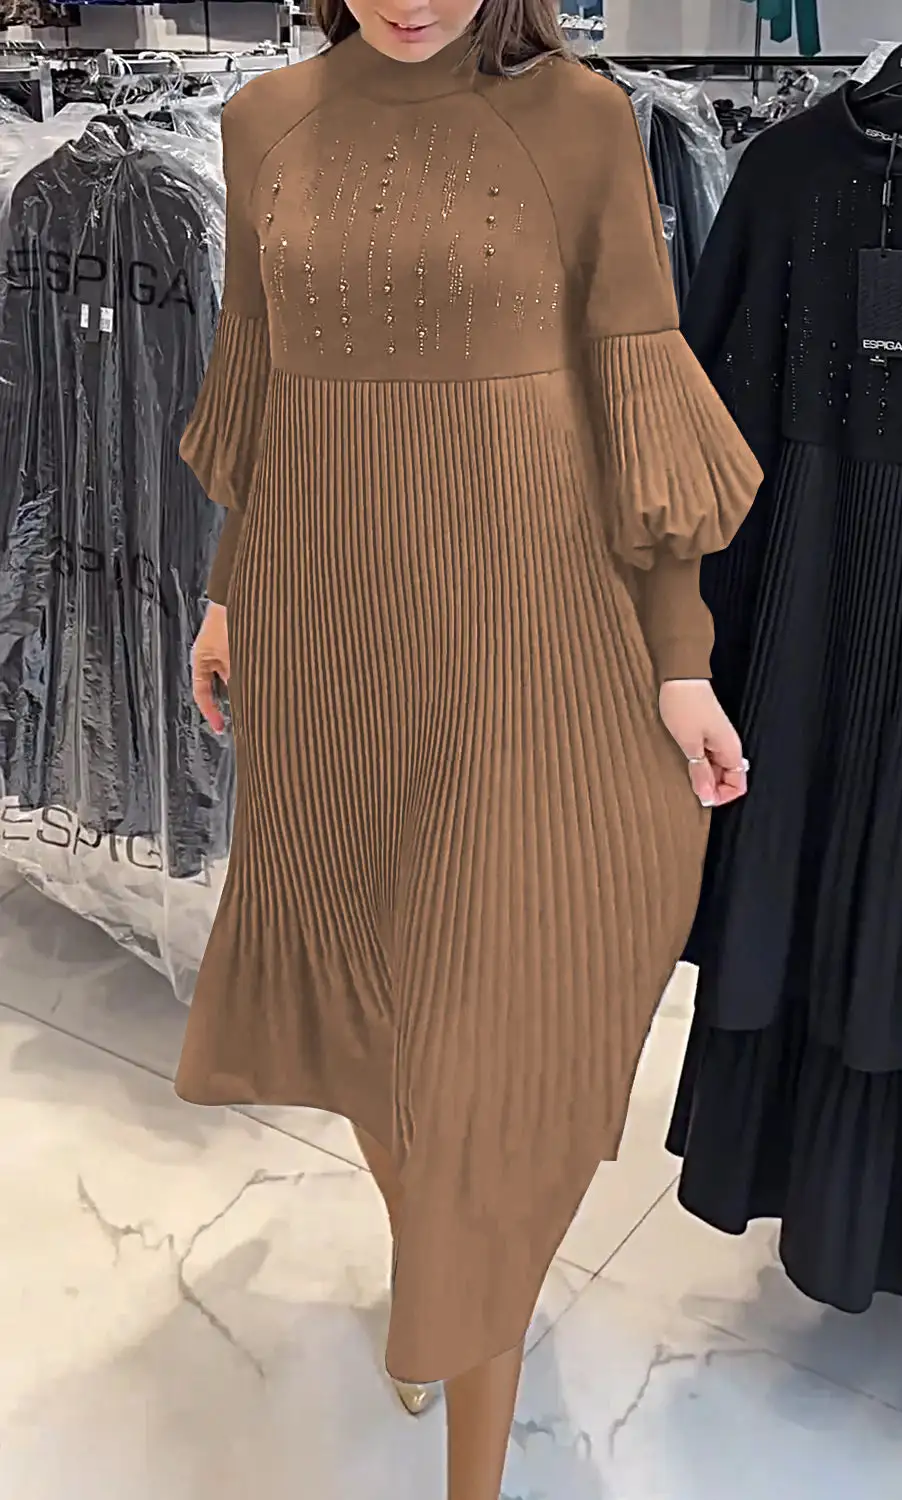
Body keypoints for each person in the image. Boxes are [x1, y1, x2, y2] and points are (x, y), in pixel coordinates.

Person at [176, 2, 761, 1495]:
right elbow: (263, 391)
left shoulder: (584, 124)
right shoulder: (262, 125)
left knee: (491, 1045)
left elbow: (636, 407)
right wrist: (229, 595)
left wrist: (681, 664)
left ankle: (472, 1417)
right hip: (328, 645)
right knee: (383, 1024)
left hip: (529, 649)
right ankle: (429, 1279)